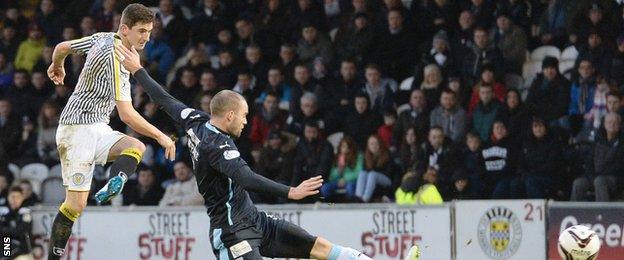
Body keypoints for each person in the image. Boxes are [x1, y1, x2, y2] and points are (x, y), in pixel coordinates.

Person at [114, 42, 383, 260]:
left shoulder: (194, 120)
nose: (245, 122)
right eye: (243, 116)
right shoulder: (217, 146)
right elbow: (247, 178)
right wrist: (291, 191)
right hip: (232, 233)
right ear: (229, 115)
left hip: (255, 221)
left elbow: (164, 99)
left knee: (320, 248)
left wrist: (138, 70)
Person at [45, 4, 176, 259]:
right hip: (77, 130)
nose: (146, 37)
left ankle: (115, 182)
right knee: (76, 205)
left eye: (149, 31)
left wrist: (57, 65)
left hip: (97, 126)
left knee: (136, 147)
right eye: (141, 31)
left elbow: (61, 48)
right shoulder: (117, 58)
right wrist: (161, 136)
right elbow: (127, 114)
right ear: (125, 29)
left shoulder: (103, 37)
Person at [0, 186, 34, 259]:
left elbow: (20, 232)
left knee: (5, 256)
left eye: (18, 197)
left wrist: (6, 230)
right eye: (12, 197)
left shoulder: (25, 213)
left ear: (22, 198)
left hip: (22, 247)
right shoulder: (4, 213)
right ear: (8, 197)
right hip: (7, 243)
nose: (15, 200)